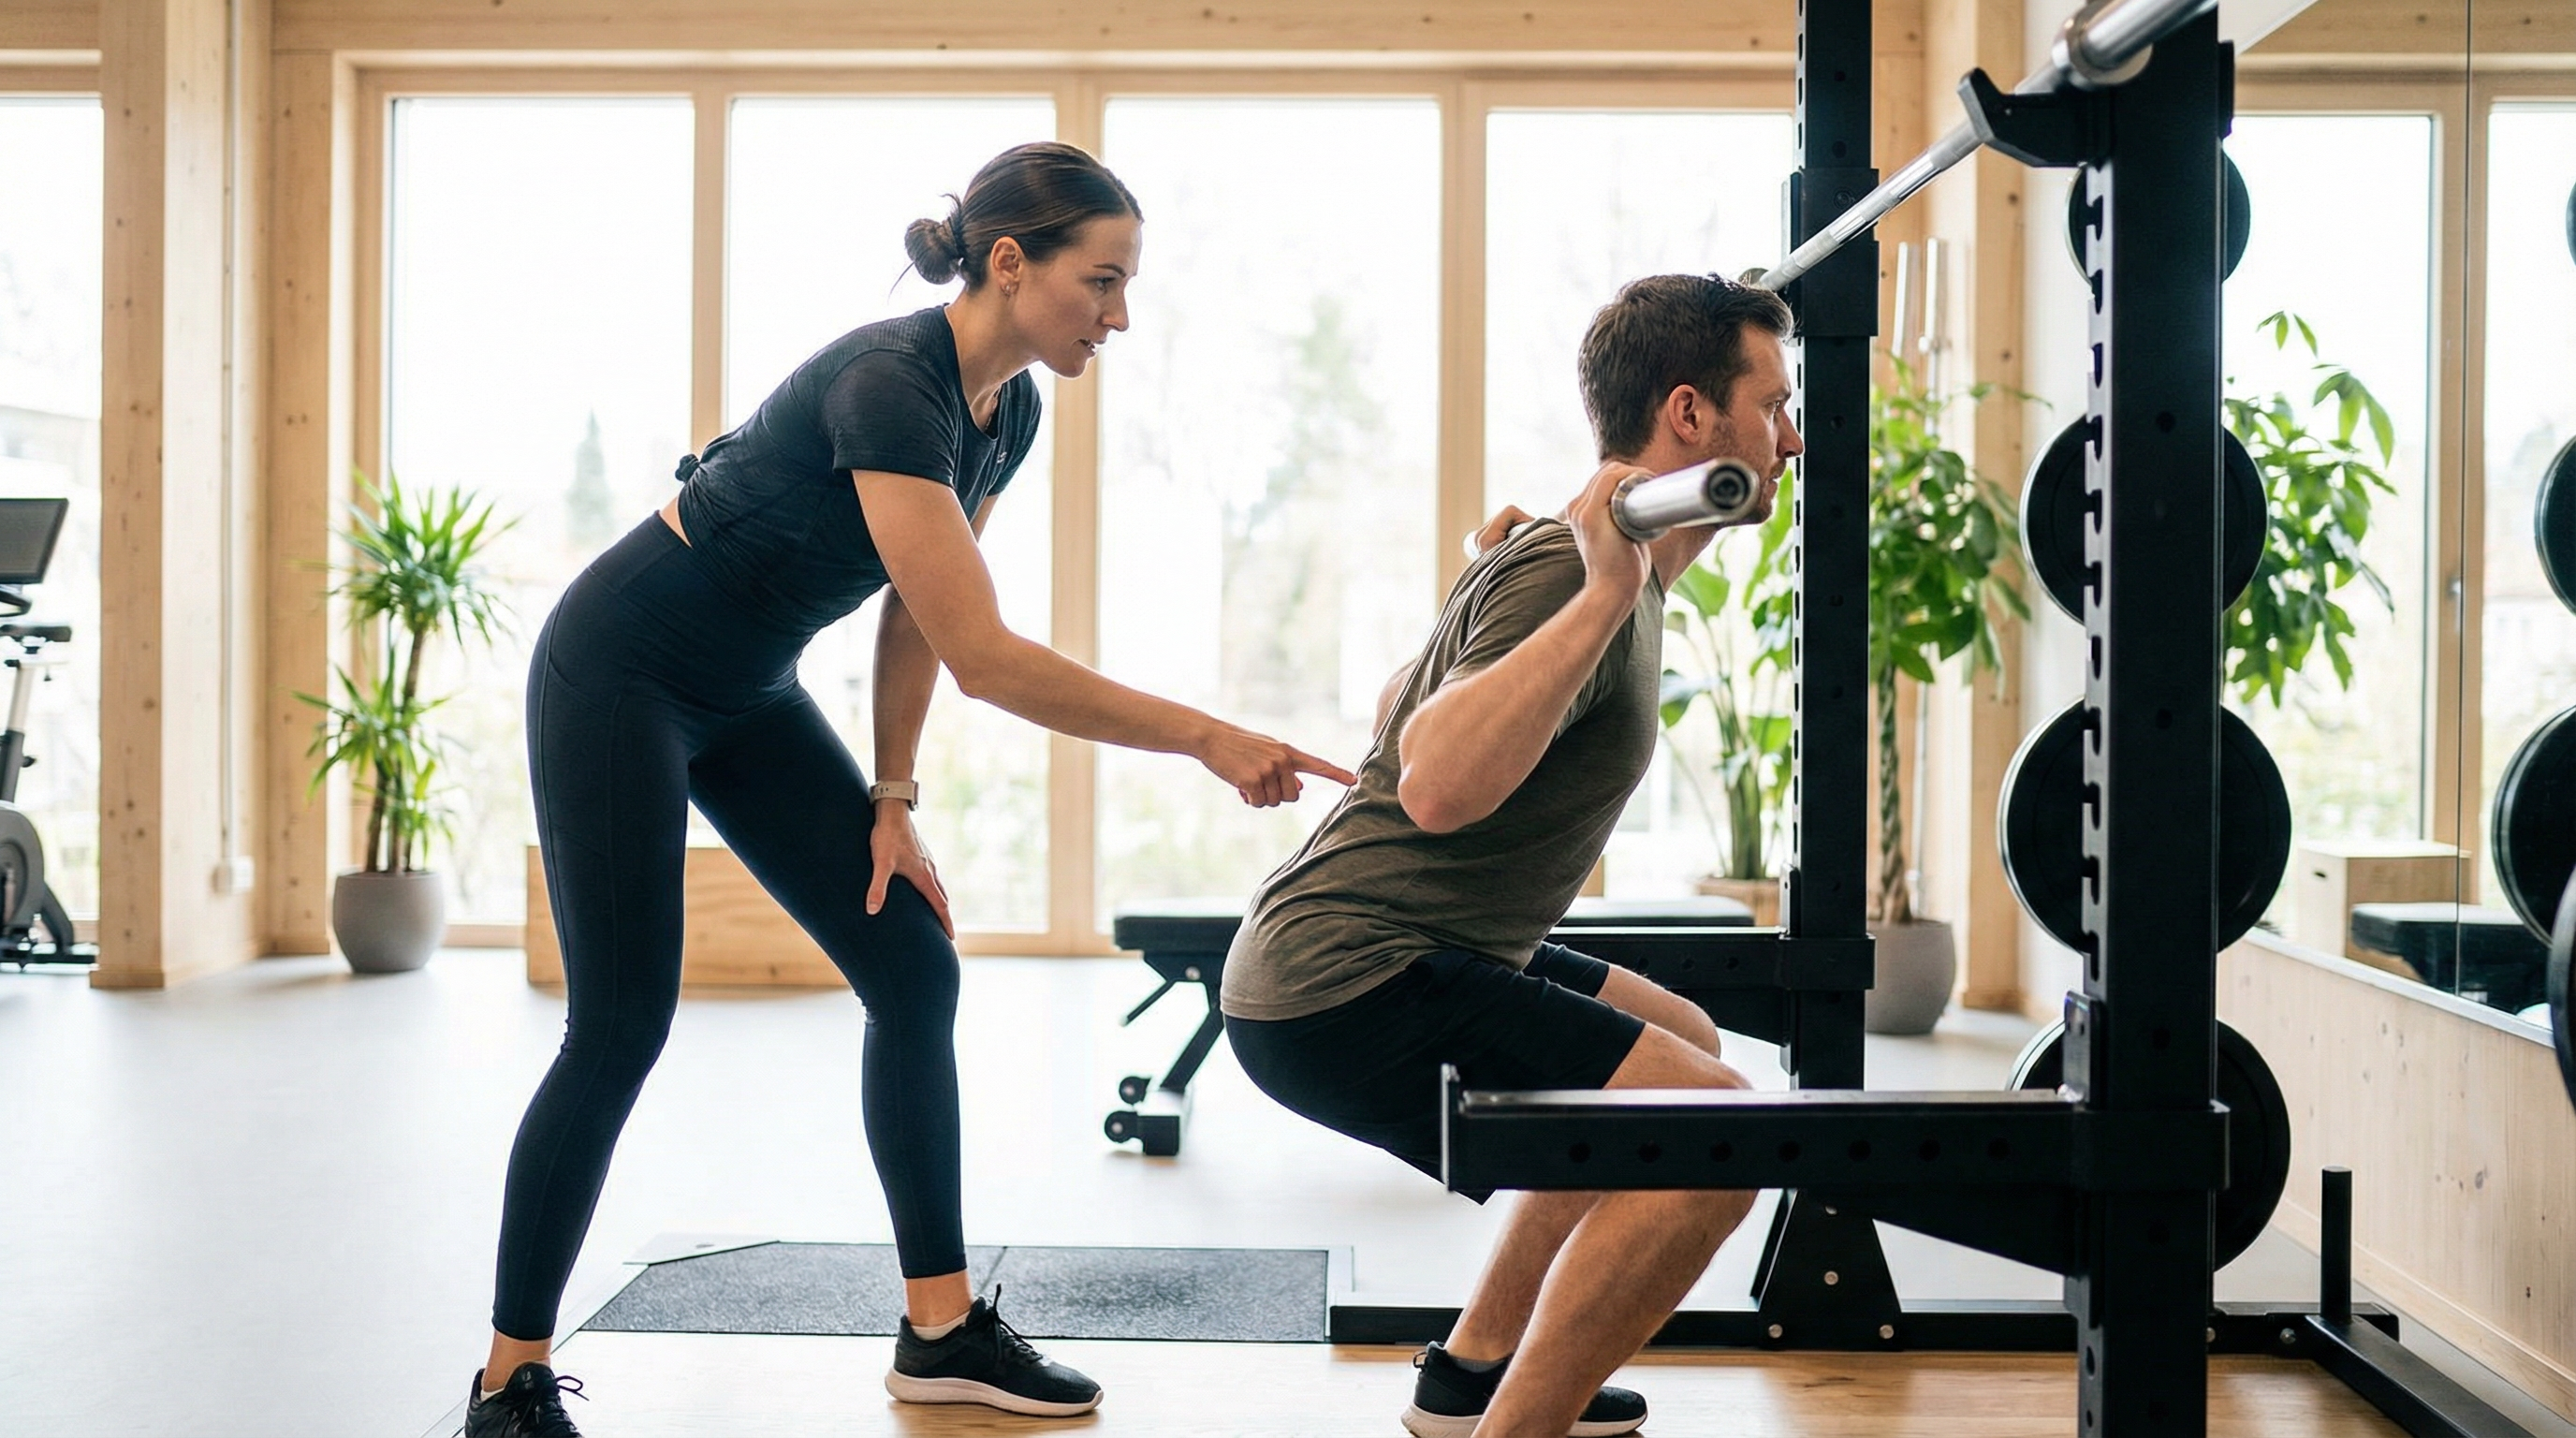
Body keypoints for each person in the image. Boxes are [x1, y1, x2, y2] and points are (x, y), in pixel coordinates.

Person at [464, 140, 1354, 1438]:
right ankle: (509, 1380)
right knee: (620, 1025)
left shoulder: (1010, 411)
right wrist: (1208, 737)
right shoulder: (889, 382)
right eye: (1102, 283)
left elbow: (922, 617)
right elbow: (993, 659)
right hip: (619, 672)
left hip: (749, 688)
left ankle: (939, 1333)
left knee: (913, 968)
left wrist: (893, 796)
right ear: (1011, 262)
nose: (1119, 316)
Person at [1222, 273, 1804, 1438]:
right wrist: (1588, 592)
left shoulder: (1555, 556)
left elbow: (1398, 707)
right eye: (1774, 405)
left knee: (1682, 1042)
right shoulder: (1577, 571)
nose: (1790, 440)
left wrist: (1490, 596)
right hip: (1350, 981)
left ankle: (1473, 1374)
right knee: (1719, 1137)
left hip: (1386, 952)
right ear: (1691, 418)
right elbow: (1430, 782)